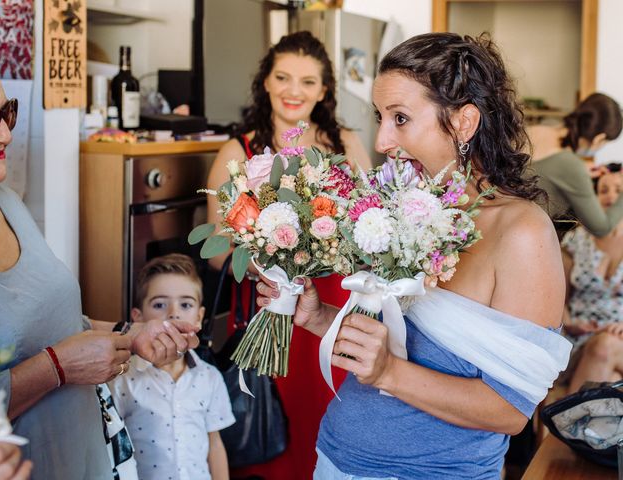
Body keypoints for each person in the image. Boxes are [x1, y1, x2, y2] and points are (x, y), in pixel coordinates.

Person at [257, 32, 571, 479]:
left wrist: (389, 373)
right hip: (334, 457)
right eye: (381, 117)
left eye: (400, 118)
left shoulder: (521, 232)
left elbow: (510, 411)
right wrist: (320, 317)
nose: (383, 140)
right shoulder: (406, 205)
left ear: (464, 122)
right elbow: (398, 337)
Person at [0, 53, 199, 480]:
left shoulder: (3, 197)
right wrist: (58, 367)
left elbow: (56, 322)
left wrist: (133, 335)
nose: (6, 134)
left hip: (82, 455)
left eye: (8, 113)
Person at [206, 31, 371, 479]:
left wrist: (324, 254)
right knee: (275, 437)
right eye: (282, 77)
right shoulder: (234, 152)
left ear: (324, 90)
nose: (293, 91)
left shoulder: (348, 145)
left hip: (334, 313)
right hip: (268, 311)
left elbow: (371, 225)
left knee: (331, 425)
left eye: (307, 81)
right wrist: (275, 264)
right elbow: (220, 249)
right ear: (265, 82)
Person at [111, 254, 235, 480]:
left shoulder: (209, 378)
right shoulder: (123, 379)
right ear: (138, 318)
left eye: (185, 304)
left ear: (199, 317)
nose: (173, 313)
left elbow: (215, 444)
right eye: (159, 304)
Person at [560, 166, 623, 393]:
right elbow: (558, 299)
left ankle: (560, 427)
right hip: (579, 340)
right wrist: (570, 323)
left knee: (605, 347)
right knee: (610, 373)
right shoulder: (576, 240)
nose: (612, 196)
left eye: (619, 189)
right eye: (604, 190)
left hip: (617, 339)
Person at [529, 93, 623, 237]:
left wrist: (580, 172)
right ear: (599, 139)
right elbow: (601, 228)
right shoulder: (571, 166)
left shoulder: (536, 130)